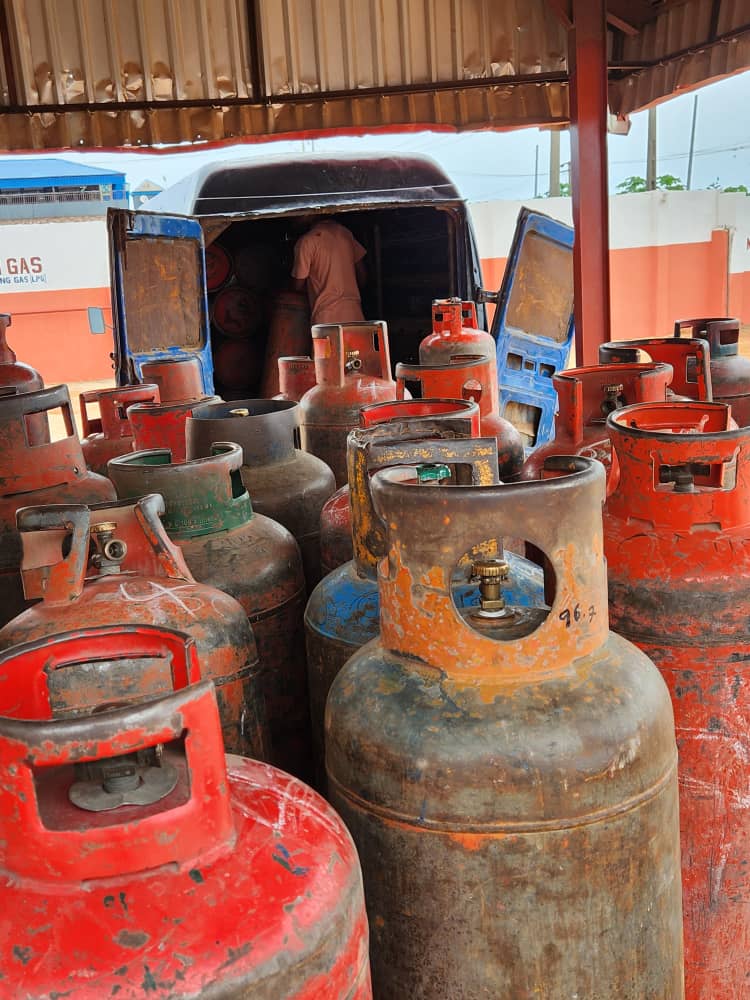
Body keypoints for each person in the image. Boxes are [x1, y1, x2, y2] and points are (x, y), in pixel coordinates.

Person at [291, 218, 366, 325]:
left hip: (326, 318)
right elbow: (362, 276)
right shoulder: (345, 233)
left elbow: (297, 286)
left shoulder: (307, 241)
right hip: (354, 313)